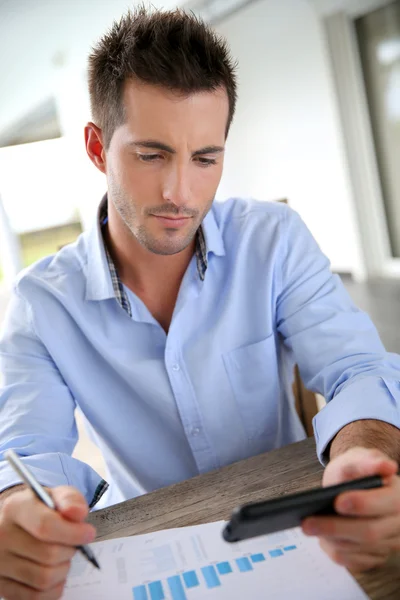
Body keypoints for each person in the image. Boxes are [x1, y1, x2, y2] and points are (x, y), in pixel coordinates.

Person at [1, 6, 400, 599]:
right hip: (153, 558)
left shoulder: (275, 239)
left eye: (206, 158)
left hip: (298, 534)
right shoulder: (41, 303)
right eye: (151, 154)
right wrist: (20, 514)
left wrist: (364, 458)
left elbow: (359, 370)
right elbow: (25, 456)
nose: (179, 193)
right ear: (95, 147)